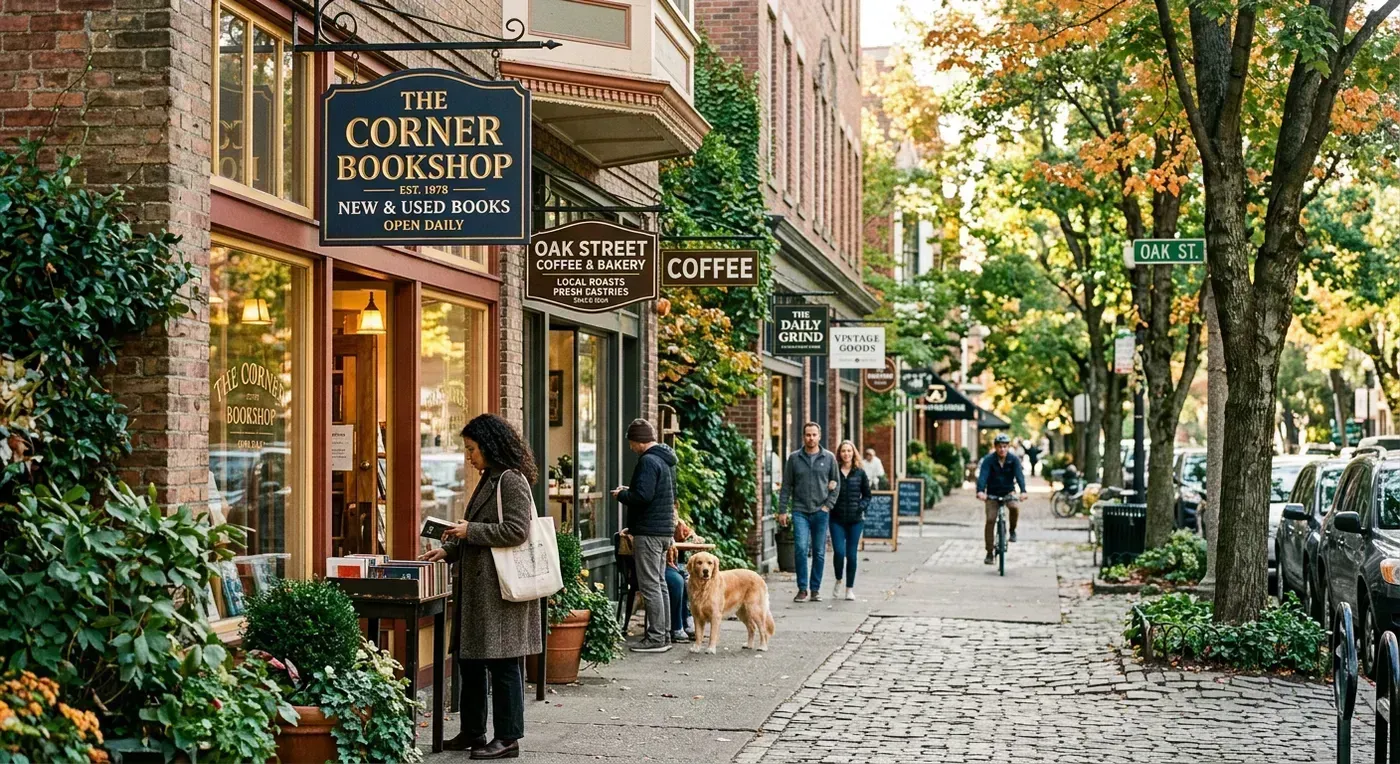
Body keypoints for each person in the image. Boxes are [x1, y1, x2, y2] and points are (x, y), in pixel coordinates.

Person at [420, 413, 539, 760]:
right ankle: (473, 730)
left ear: (489, 446)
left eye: (472, 449)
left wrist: (469, 531)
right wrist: (449, 548)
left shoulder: (511, 480)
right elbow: (479, 528)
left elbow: (517, 530)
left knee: (503, 664)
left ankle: (508, 738)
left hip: (500, 591)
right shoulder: (490, 478)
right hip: (479, 590)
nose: (469, 457)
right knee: (470, 660)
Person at [613, 418, 678, 653]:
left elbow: (643, 497)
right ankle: (666, 633)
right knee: (659, 584)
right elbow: (659, 495)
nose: (630, 447)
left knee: (650, 585)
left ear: (639, 440)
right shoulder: (665, 460)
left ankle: (656, 638)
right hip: (662, 530)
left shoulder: (648, 461)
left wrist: (622, 495)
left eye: (631, 441)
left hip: (649, 533)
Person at [777, 422, 839, 602]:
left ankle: (815, 589)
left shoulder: (829, 458)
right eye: (808, 435)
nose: (811, 438)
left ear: (819, 436)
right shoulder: (794, 458)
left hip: (821, 511)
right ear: (803, 437)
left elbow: (836, 484)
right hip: (800, 511)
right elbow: (786, 486)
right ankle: (802, 588)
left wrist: (828, 505)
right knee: (801, 549)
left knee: (819, 551)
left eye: (814, 435)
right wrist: (782, 510)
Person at [976, 433, 1028, 566]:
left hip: (1008, 492)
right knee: (990, 520)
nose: (1002, 449)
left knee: (1014, 507)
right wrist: (980, 491)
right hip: (992, 494)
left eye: (1005, 447)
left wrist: (1023, 491)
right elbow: (983, 476)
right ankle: (989, 552)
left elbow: (1019, 475)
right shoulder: (989, 460)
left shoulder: (1013, 459)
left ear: (1008, 447)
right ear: (995, 447)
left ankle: (1012, 531)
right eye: (1000, 447)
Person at [831, 440, 870, 601]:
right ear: (839, 454)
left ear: (853, 453)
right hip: (837, 519)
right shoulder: (834, 472)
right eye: (843, 451)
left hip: (855, 520)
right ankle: (839, 579)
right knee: (839, 553)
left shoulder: (860, 473)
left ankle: (849, 589)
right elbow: (828, 491)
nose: (846, 454)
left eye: (849, 451)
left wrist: (860, 507)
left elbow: (867, 495)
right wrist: (829, 488)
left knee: (851, 555)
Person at [664, 518, 704, 642]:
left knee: (686, 578)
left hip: (674, 563)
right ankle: (677, 626)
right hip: (661, 564)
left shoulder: (679, 524)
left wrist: (694, 538)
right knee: (678, 580)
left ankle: (687, 619)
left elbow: (691, 534)